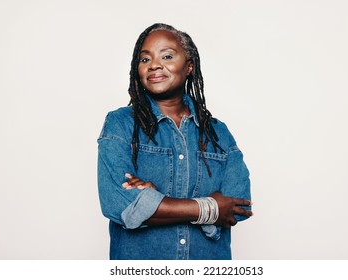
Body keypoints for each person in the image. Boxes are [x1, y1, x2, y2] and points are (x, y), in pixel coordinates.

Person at [97, 23, 252, 260]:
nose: (154, 65)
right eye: (145, 59)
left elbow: (237, 206)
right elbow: (120, 204)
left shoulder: (218, 133)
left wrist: (153, 202)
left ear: (189, 66)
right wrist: (209, 209)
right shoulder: (120, 125)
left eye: (167, 56)